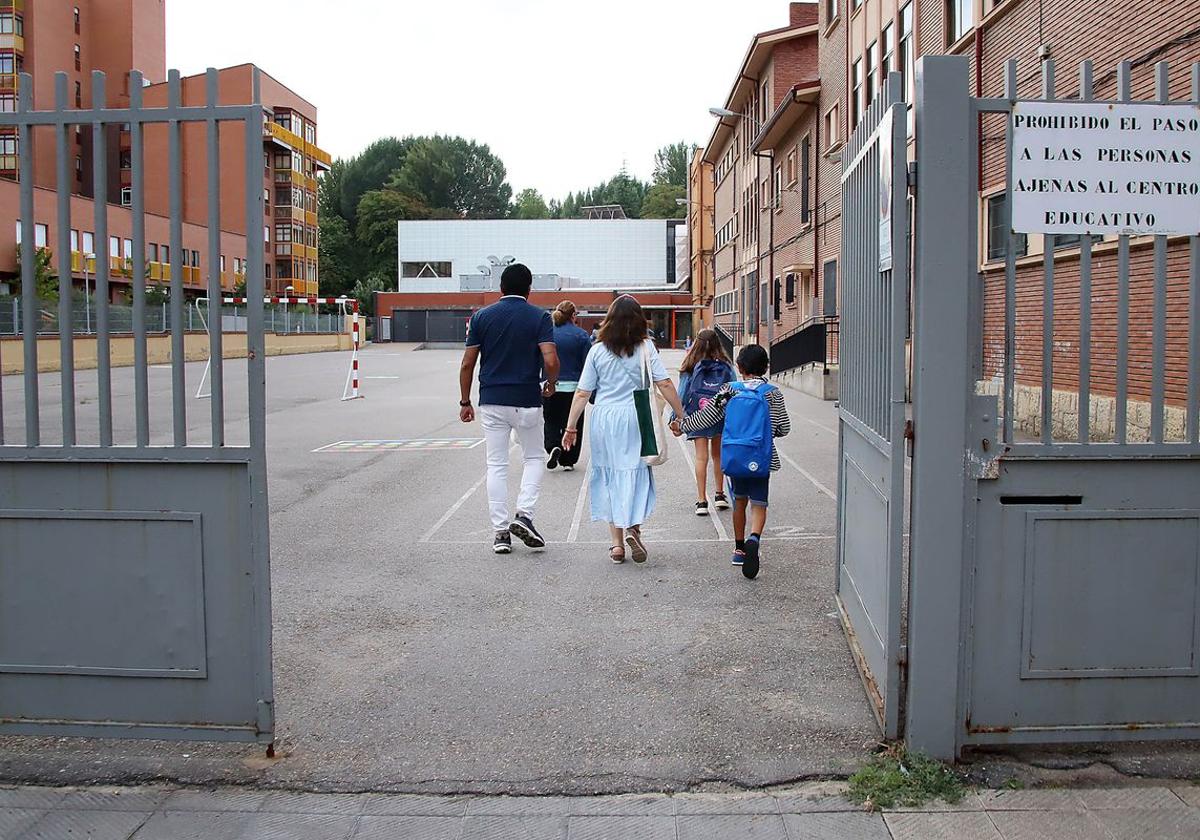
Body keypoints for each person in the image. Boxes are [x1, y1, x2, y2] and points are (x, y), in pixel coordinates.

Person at [563, 295, 686, 565]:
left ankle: (617, 545)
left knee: (609, 473)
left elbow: (583, 392)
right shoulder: (646, 347)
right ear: (639, 320)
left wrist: (571, 426)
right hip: (637, 414)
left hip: (605, 417)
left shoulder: (597, 350)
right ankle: (634, 526)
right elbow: (664, 383)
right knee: (636, 470)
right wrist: (681, 413)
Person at [459, 263, 560, 555]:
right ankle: (525, 514)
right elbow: (550, 360)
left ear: (500, 287)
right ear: (529, 290)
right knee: (533, 458)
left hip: (492, 400)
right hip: (527, 398)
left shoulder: (481, 317)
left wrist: (465, 401)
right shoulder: (539, 317)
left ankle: (500, 533)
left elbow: (468, 363)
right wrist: (550, 383)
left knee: (497, 465)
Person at [672, 344, 790, 580]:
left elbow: (707, 417)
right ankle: (754, 538)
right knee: (759, 503)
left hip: (735, 455)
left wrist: (681, 425)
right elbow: (783, 427)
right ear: (766, 366)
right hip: (760, 457)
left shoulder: (729, 390)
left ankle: (739, 549)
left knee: (739, 502)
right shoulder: (773, 393)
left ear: (739, 367)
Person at [674, 329, 736, 516]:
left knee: (701, 458)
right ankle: (719, 495)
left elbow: (682, 395)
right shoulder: (726, 365)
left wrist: (675, 419)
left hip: (697, 417)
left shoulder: (690, 365)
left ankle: (702, 501)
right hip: (718, 416)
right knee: (717, 456)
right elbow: (733, 390)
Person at [543, 300, 591, 472]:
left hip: (551, 385)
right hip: (575, 388)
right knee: (573, 423)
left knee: (551, 420)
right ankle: (568, 459)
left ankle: (553, 445)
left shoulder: (548, 333)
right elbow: (588, 365)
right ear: (573, 315)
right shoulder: (582, 335)